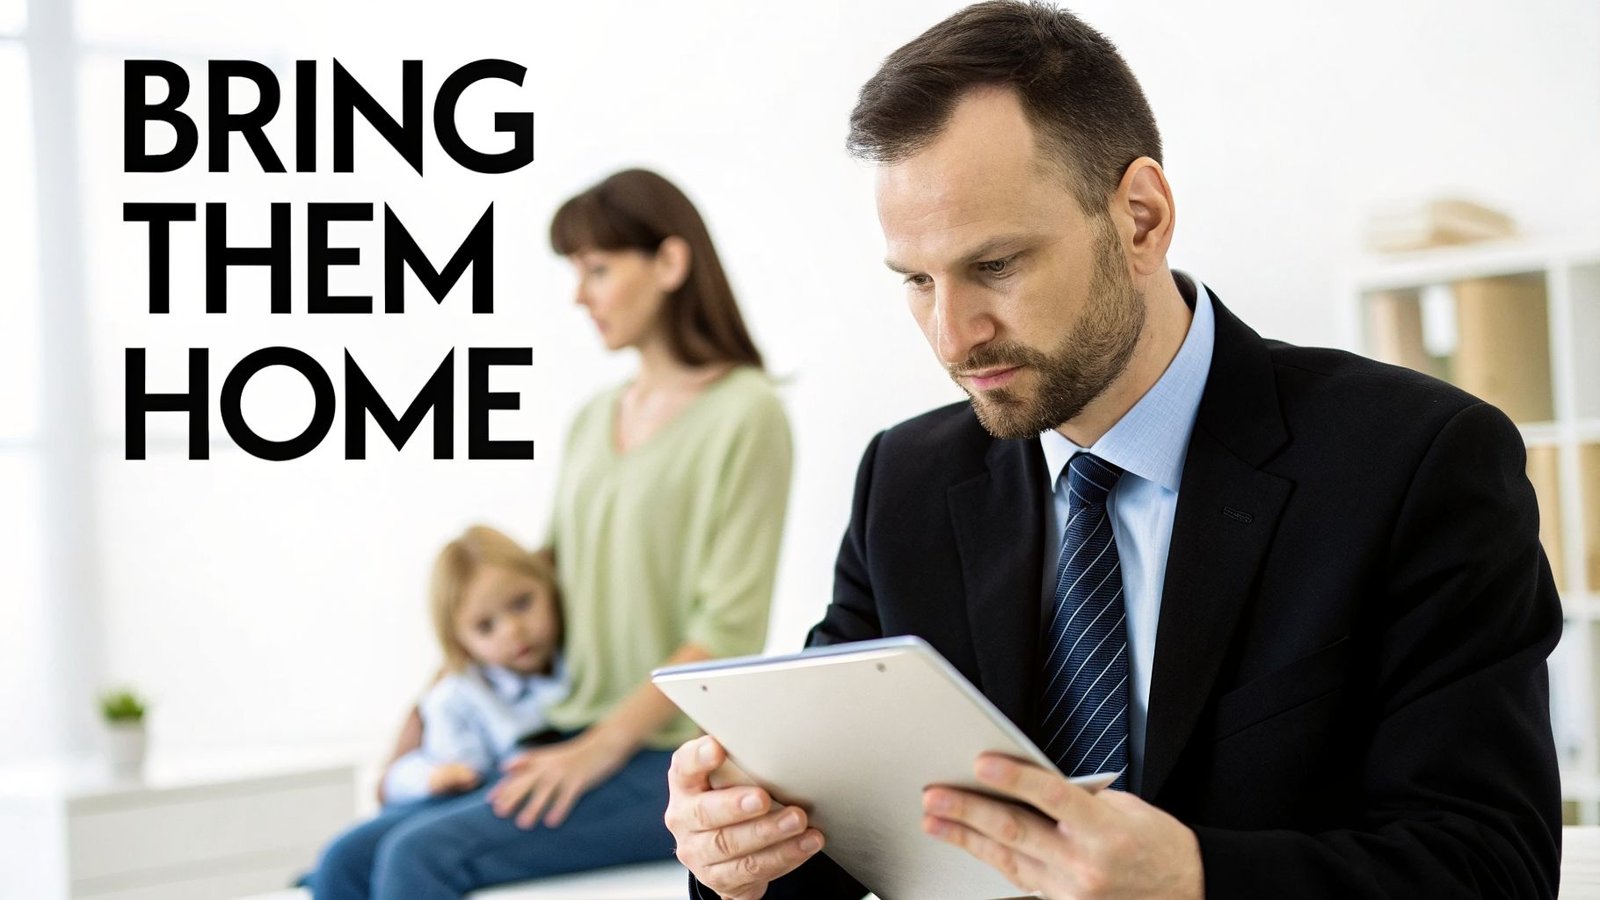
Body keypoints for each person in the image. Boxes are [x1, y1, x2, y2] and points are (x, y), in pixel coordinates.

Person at [667, 3, 1562, 899]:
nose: (952, 336)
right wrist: (737, 854)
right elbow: (842, 841)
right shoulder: (905, 483)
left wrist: (1196, 880)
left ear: (1140, 218)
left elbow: (1493, 866)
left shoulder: (1415, 462)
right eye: (917, 280)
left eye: (997, 265)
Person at [353, 168, 793, 899]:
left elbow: (725, 631)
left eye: (596, 269)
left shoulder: (746, 414)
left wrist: (597, 749)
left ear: (670, 264)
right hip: (561, 733)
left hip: (664, 757)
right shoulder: (595, 419)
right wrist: (425, 711)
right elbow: (538, 581)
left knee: (415, 861)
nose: (578, 294)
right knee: (348, 859)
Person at [308, 526, 568, 898]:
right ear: (459, 640)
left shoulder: (577, 670)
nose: (513, 630)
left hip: (512, 797)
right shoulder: (455, 695)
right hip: (456, 791)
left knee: (409, 853)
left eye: (522, 604)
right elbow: (400, 777)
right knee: (344, 856)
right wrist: (435, 777)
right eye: (485, 626)